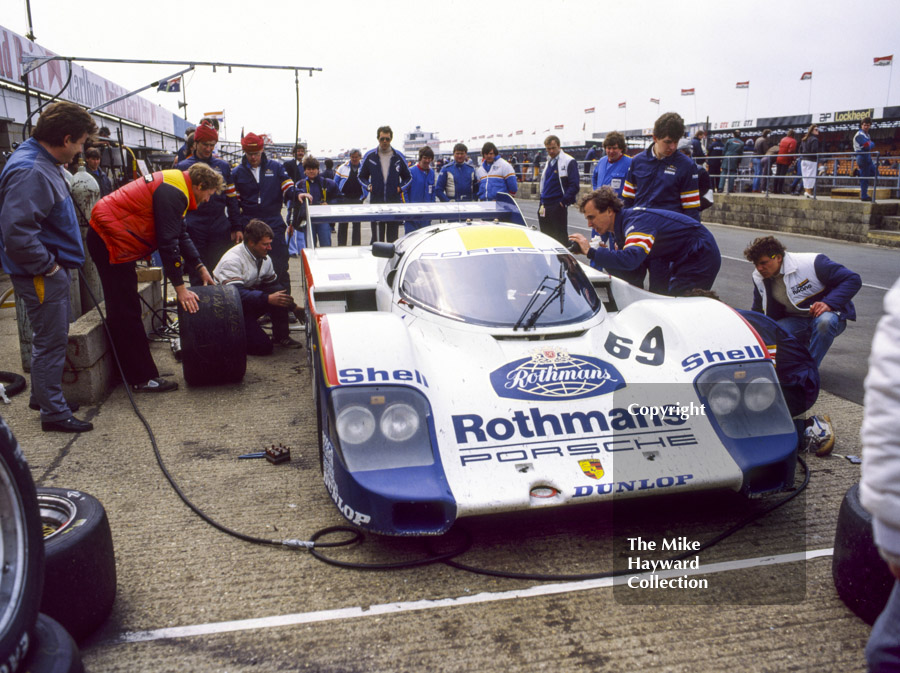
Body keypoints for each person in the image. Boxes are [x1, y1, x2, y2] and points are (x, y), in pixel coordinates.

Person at [0, 101, 97, 432]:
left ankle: (44, 397)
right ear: (67, 138)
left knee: (49, 339)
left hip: (45, 270)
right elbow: (17, 233)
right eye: (81, 142)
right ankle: (54, 414)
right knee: (51, 340)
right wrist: (50, 267)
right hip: (41, 273)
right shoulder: (32, 170)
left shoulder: (44, 160)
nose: (82, 149)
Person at [88, 162, 222, 394]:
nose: (207, 200)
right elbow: (168, 243)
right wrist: (180, 288)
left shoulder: (176, 182)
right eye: (208, 194)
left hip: (111, 237)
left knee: (122, 309)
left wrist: (199, 266)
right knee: (126, 311)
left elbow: (180, 233)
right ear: (199, 186)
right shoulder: (175, 192)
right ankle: (142, 378)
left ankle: (127, 371)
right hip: (109, 239)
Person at [684, 288, 833, 456]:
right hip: (766, 382)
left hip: (797, 386)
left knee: (732, 416)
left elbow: (765, 375)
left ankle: (809, 428)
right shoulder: (716, 325)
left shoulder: (751, 323)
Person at [568, 186, 720, 296]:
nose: (589, 224)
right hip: (676, 255)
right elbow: (631, 275)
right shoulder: (620, 229)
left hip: (699, 252)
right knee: (661, 297)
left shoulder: (635, 223)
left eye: (591, 217)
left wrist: (591, 251)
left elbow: (631, 259)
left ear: (609, 211)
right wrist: (603, 256)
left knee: (680, 301)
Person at [860, 276, 900, 671]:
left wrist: (892, 537)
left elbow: (893, 402)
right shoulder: (759, 275)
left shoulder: (813, 265)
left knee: (888, 653)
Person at [743, 235, 861, 368]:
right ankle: (794, 364)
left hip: (829, 316)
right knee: (774, 333)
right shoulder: (759, 277)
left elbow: (852, 279)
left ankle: (810, 370)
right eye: (756, 264)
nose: (759, 268)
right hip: (796, 319)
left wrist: (829, 303)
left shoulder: (812, 262)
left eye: (763, 263)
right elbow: (759, 308)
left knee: (825, 322)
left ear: (778, 257)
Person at [213, 219, 304, 354]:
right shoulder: (232, 260)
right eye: (265, 244)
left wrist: (294, 307)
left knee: (276, 291)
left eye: (269, 244)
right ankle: (228, 337)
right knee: (263, 348)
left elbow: (274, 287)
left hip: (244, 301)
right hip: (226, 308)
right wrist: (266, 298)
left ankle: (281, 336)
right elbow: (235, 294)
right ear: (251, 243)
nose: (270, 248)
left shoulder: (264, 257)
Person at [231, 132, 299, 292]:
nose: (253, 157)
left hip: (273, 221)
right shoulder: (236, 173)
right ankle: (260, 305)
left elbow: (288, 186)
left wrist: (299, 193)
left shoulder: (276, 167)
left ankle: (285, 306)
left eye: (256, 153)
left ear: (262, 150)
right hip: (250, 224)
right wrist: (237, 227)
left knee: (280, 264)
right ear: (244, 152)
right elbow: (234, 203)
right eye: (249, 154)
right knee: (253, 267)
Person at [176, 120, 241, 285]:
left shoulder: (223, 166)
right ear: (195, 143)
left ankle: (222, 307)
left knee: (221, 271)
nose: (208, 148)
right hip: (194, 226)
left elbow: (232, 198)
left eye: (212, 145)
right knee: (197, 272)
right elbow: (176, 201)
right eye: (205, 144)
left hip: (219, 226)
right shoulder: (183, 167)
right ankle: (200, 308)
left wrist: (236, 226)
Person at [622, 112, 700, 220]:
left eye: (676, 142)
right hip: (640, 227)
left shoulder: (687, 166)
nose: (672, 147)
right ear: (655, 138)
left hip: (670, 231)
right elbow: (627, 201)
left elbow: (692, 210)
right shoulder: (637, 161)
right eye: (667, 142)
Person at [358, 126, 411, 243]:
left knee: (393, 240)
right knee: (377, 241)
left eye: (387, 139)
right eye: (382, 139)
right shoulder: (370, 156)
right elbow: (361, 176)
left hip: (394, 204)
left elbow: (408, 177)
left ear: (391, 139)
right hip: (376, 205)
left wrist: (400, 188)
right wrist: (368, 186)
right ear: (378, 139)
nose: (385, 142)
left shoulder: (398, 156)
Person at [538, 135, 579, 245]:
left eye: (553, 148)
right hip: (545, 205)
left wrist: (563, 202)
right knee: (546, 239)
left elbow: (574, 185)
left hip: (557, 205)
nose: (551, 151)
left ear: (559, 146)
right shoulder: (548, 162)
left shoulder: (569, 161)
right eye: (548, 149)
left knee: (560, 240)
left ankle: (562, 261)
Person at [294, 155, 338, 247]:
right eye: (309, 169)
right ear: (304, 171)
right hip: (307, 220)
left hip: (323, 219)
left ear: (318, 170)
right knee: (310, 247)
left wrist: (329, 204)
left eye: (314, 169)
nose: (311, 171)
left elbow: (339, 198)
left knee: (325, 247)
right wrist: (292, 222)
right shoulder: (300, 185)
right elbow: (293, 204)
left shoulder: (328, 183)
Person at [401, 146, 436, 234]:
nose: (427, 160)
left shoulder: (432, 173)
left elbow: (433, 193)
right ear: (420, 158)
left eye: (429, 158)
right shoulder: (410, 171)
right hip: (412, 217)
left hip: (426, 216)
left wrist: (432, 209)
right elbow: (403, 192)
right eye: (425, 158)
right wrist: (408, 210)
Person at [334, 149, 365, 246]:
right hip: (344, 199)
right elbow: (335, 183)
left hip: (357, 199)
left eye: (356, 157)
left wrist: (363, 197)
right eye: (352, 157)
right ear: (350, 157)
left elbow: (368, 184)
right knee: (343, 224)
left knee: (357, 225)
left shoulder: (364, 168)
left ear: (360, 157)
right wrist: (339, 196)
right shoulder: (342, 168)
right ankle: (341, 245)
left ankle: (356, 245)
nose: (354, 159)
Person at [677, 139, 713, 212]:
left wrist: (694, 209)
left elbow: (708, 198)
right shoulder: (670, 170)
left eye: (686, 153)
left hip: (690, 214)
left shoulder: (700, 171)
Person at [591, 131, 632, 197]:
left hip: (619, 205)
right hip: (600, 204)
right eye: (609, 148)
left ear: (621, 148)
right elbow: (594, 177)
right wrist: (595, 191)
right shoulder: (602, 161)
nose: (611, 151)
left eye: (614, 148)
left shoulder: (630, 163)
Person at [853, 117, 877, 202]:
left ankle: (858, 172)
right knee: (865, 178)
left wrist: (870, 144)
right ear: (861, 125)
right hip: (861, 156)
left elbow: (868, 145)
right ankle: (864, 196)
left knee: (876, 173)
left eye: (868, 125)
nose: (866, 127)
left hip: (867, 156)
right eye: (864, 125)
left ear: (870, 126)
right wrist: (871, 143)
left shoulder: (867, 135)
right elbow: (867, 146)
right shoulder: (859, 134)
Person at [718, 130, 744, 194]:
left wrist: (722, 157)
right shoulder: (741, 143)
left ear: (733, 135)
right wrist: (739, 161)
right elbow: (741, 153)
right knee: (732, 173)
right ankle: (730, 189)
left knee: (724, 172)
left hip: (727, 157)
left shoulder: (729, 141)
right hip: (735, 158)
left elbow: (724, 150)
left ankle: (720, 188)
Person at [799, 125, 819, 198]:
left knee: (805, 177)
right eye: (816, 129)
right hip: (811, 160)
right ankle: (809, 192)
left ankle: (806, 192)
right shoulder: (814, 139)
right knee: (811, 176)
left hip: (803, 160)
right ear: (812, 131)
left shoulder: (804, 139)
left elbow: (800, 150)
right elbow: (814, 150)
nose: (818, 131)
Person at [775, 130, 798, 195]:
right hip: (785, 159)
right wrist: (793, 159)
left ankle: (775, 189)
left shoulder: (783, 139)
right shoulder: (793, 141)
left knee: (777, 174)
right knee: (782, 175)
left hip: (779, 158)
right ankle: (780, 190)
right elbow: (791, 151)